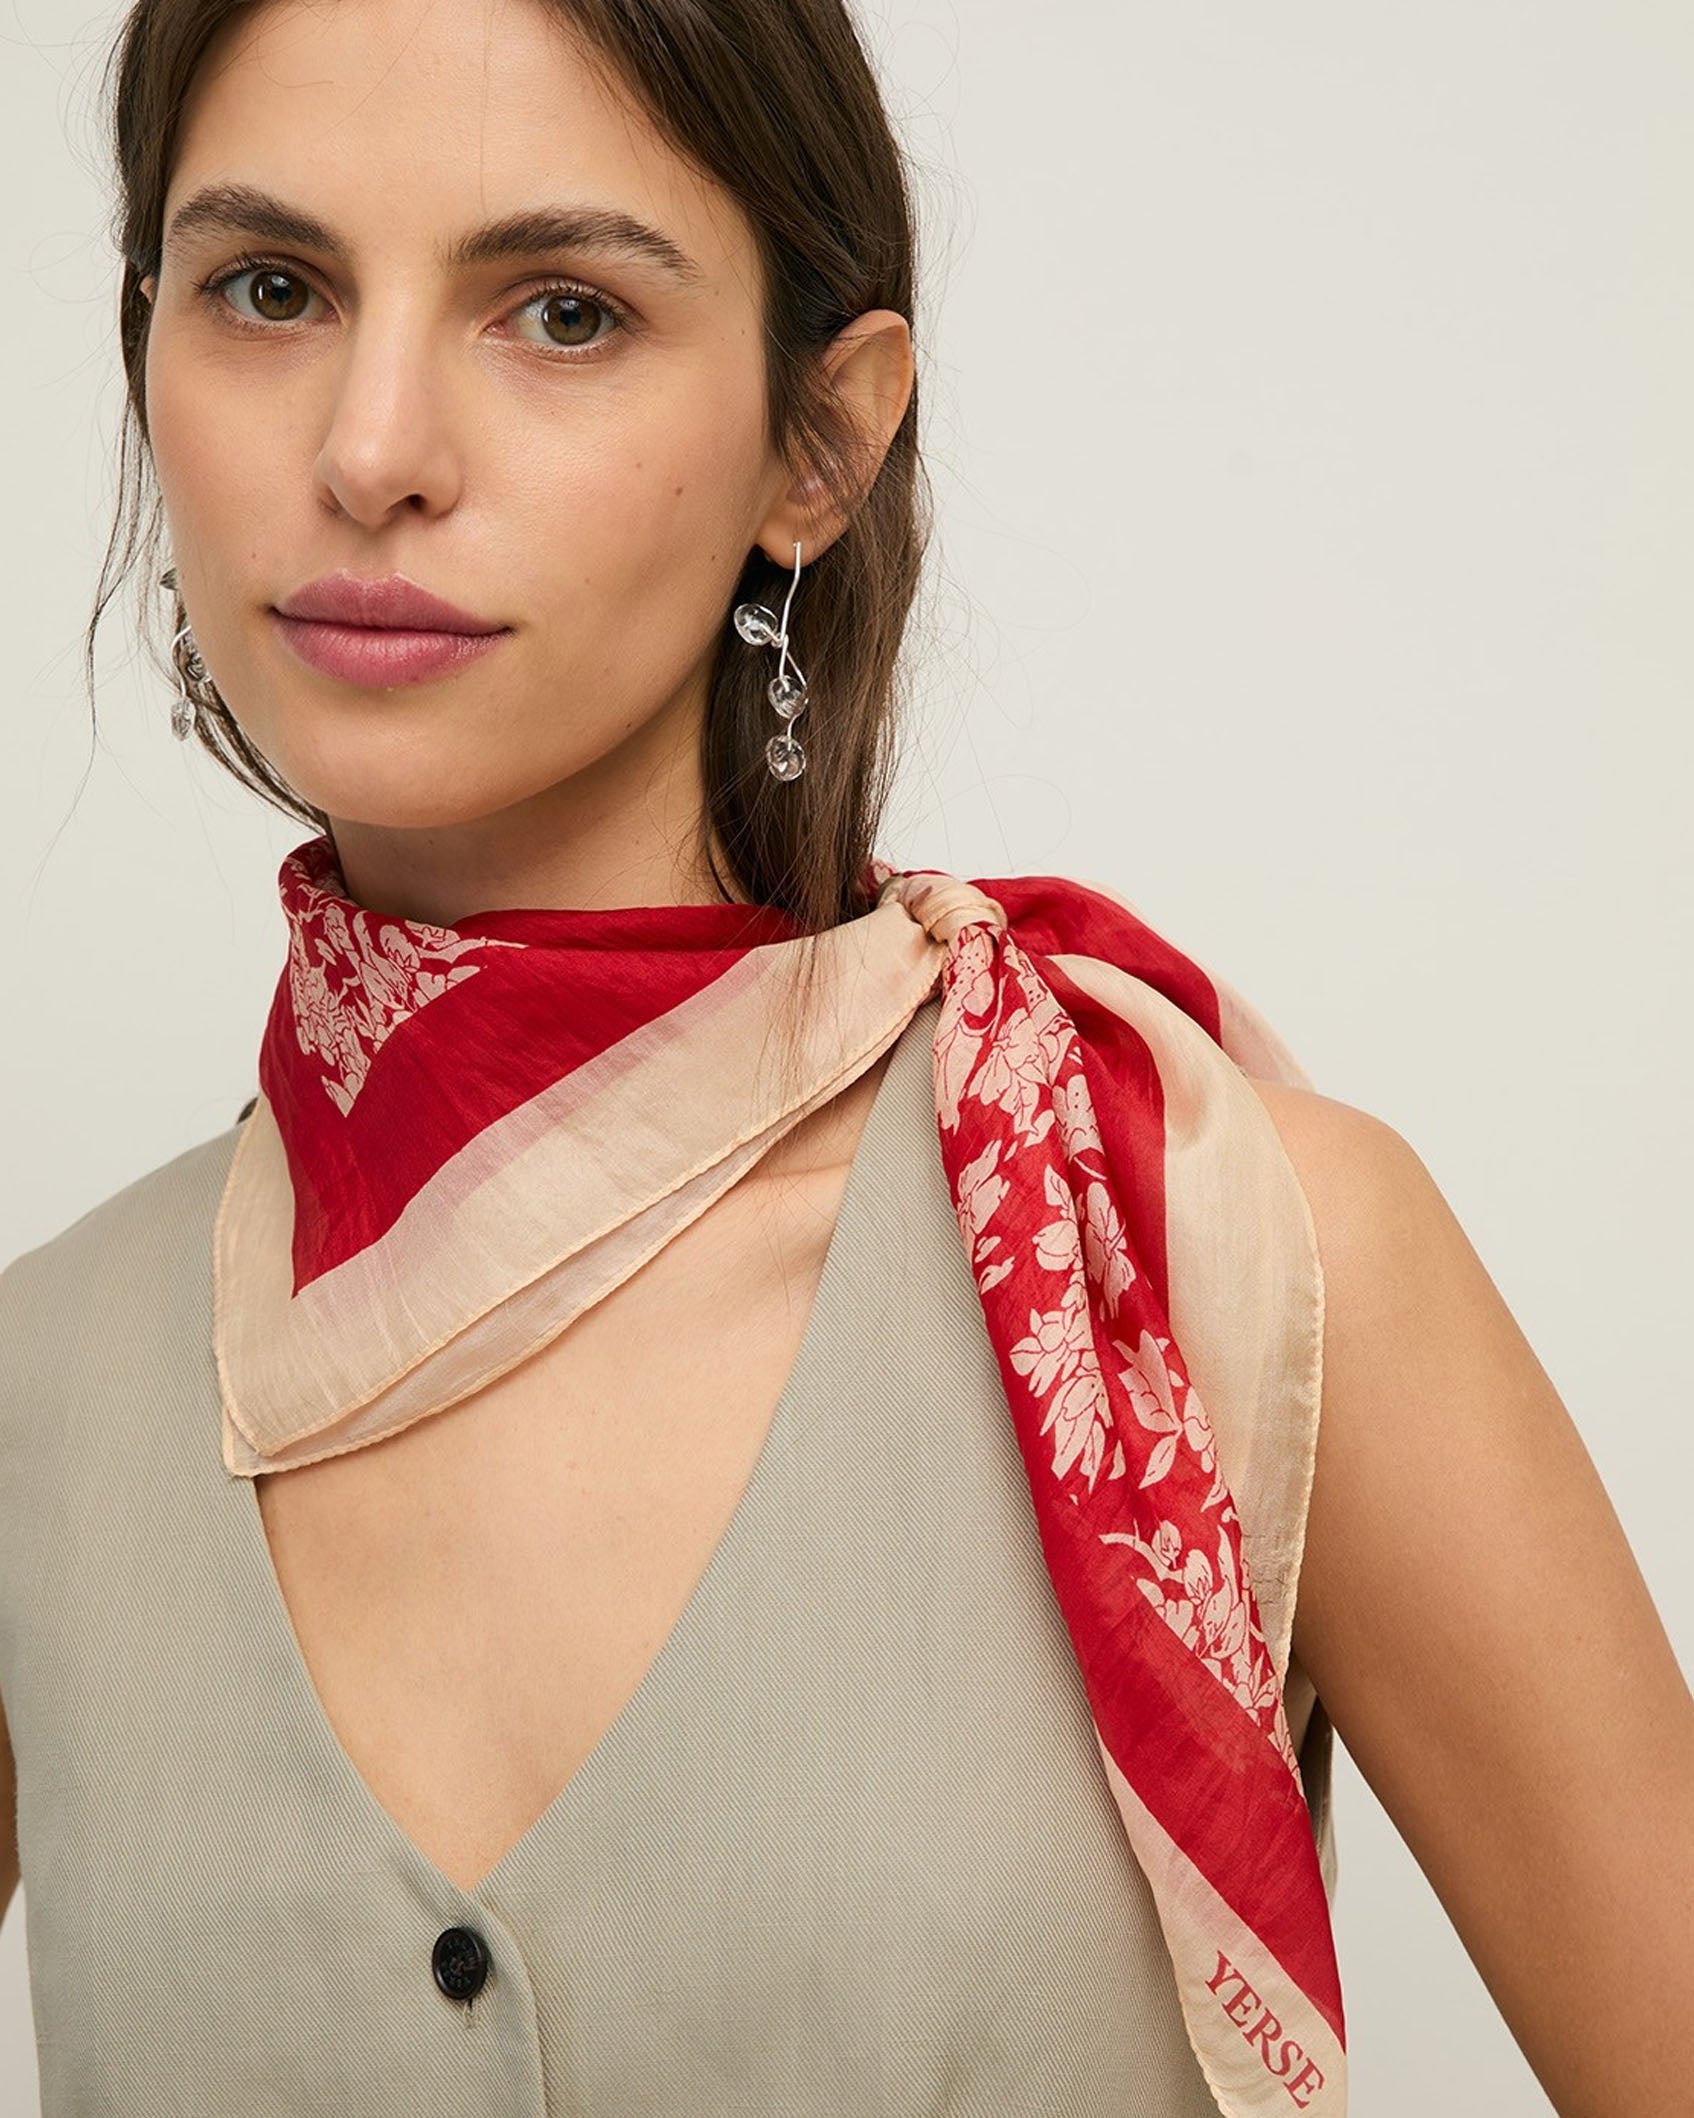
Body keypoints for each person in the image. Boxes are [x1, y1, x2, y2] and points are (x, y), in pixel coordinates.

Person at [1, 1, 1689, 2113]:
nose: (371, 448)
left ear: (820, 441)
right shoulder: (44, 1396)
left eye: (562, 310)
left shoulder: (1186, 1240)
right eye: (269, 289)